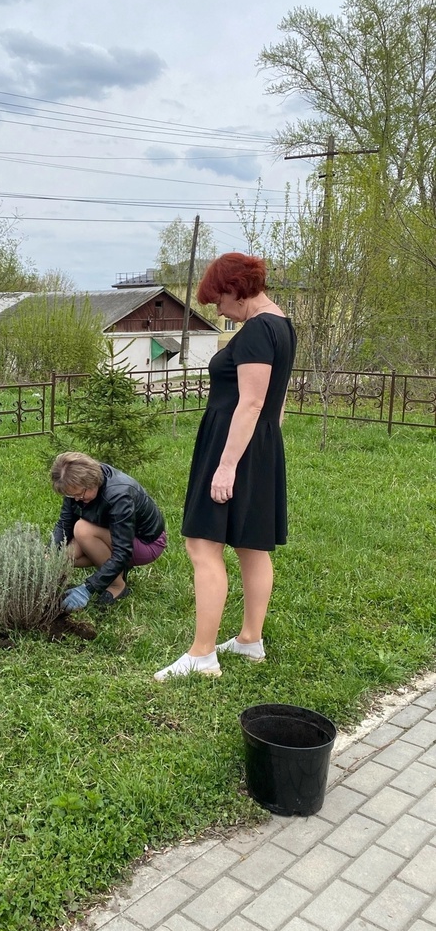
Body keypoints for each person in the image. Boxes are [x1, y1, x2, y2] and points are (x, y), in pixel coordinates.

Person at [154, 253, 297, 680]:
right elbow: (277, 399)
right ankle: (250, 640)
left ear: (237, 287)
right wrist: (265, 447)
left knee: (202, 544)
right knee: (252, 544)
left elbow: (251, 401)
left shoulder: (256, 330)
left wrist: (226, 465)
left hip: (233, 444)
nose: (217, 309)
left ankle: (201, 656)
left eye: (218, 298)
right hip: (261, 442)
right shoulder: (282, 325)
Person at [51, 452, 166, 610]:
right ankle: (113, 569)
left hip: (145, 542)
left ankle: (117, 586)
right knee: (65, 557)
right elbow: (65, 523)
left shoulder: (120, 495)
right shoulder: (75, 485)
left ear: (91, 482)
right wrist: (50, 552)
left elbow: (123, 551)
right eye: (71, 495)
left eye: (79, 494)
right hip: (110, 531)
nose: (76, 499)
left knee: (82, 530)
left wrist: (88, 588)